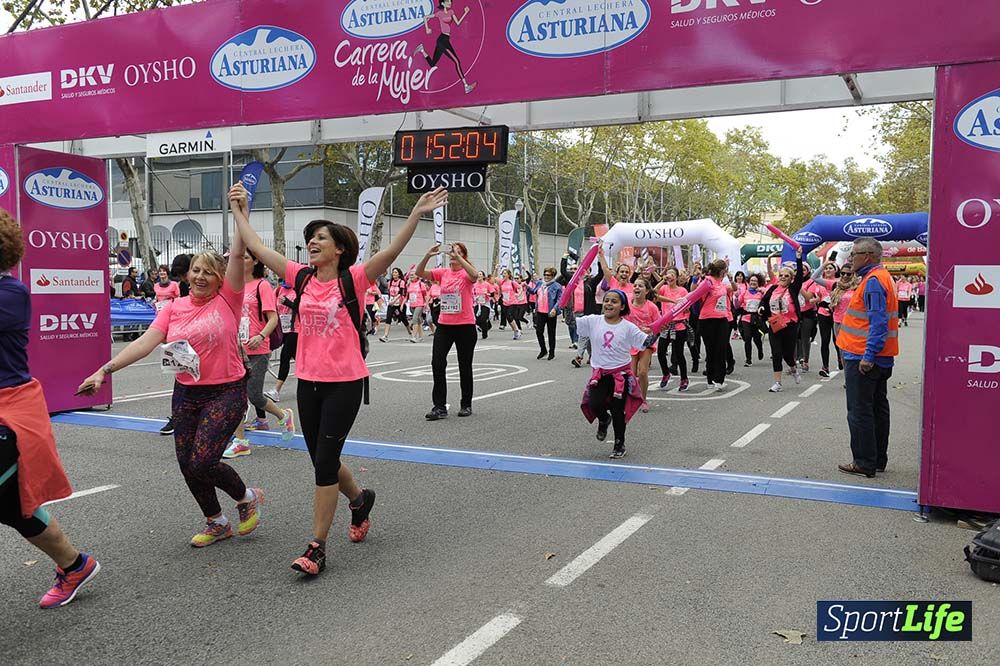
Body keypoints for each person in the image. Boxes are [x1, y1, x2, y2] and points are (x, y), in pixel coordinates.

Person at [232, 182, 448, 575]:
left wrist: (415, 215)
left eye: (320, 238)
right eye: (310, 238)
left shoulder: (355, 279)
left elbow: (392, 252)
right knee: (321, 457)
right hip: (309, 381)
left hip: (345, 383)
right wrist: (240, 212)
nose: (312, 243)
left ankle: (317, 547)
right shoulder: (299, 277)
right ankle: (360, 499)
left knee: (324, 460)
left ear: (340, 249)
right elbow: (260, 250)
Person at [79, 210, 264, 549]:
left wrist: (241, 211)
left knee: (203, 460)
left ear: (223, 279)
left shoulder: (229, 300)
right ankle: (216, 522)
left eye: (209, 271)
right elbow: (144, 343)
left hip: (225, 392)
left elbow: (237, 254)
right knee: (186, 464)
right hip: (186, 392)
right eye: (196, 270)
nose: (201, 276)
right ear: (187, 273)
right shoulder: (172, 308)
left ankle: (246, 497)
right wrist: (104, 370)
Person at [0, 210, 101, 609]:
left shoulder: (11, 293)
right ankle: (75, 564)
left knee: (15, 506)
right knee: (14, 507)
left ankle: (75, 565)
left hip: (9, 413)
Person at [836, 238, 899, 478]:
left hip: (864, 357)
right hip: (879, 357)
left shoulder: (873, 282)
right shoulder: (882, 278)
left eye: (854, 254)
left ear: (868, 255)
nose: (851, 258)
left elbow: (878, 322)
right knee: (877, 408)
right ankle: (877, 459)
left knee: (860, 411)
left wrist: (868, 355)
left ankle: (864, 461)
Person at [225, 250, 295, 458]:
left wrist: (261, 336)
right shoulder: (233, 285)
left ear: (255, 261)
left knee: (253, 395)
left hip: (257, 349)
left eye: (246, 257)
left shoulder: (262, 285)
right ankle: (240, 441)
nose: (240, 261)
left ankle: (283, 416)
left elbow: (272, 318)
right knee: (235, 396)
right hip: (235, 348)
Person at [576, 290, 653, 459]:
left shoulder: (628, 327)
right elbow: (573, 323)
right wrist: (562, 308)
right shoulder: (593, 321)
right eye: (606, 301)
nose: (609, 304)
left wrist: (654, 331)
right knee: (594, 404)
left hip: (621, 376)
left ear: (622, 306)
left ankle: (619, 444)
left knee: (619, 412)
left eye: (614, 302)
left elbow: (646, 342)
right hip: (600, 375)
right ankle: (604, 420)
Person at [416, 242, 479, 420]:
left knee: (464, 365)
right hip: (444, 325)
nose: (452, 255)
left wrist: (459, 257)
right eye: (451, 252)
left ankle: (466, 404)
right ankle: (439, 406)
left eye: (457, 253)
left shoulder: (466, 272)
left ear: (463, 256)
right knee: (437, 362)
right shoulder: (443, 273)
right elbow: (420, 273)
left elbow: (474, 275)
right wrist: (428, 255)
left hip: (465, 325)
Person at [759, 249, 805, 392]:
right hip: (775, 323)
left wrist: (798, 257)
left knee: (787, 354)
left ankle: (793, 369)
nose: (783, 277)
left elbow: (799, 277)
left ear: (791, 278)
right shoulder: (773, 288)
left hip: (790, 324)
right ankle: (778, 383)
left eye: (786, 276)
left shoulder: (793, 288)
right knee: (776, 353)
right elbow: (764, 302)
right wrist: (761, 309)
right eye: (781, 275)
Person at [414, 0, 477, 94]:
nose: (450, 3)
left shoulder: (451, 12)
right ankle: (466, 86)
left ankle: (422, 50)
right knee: (456, 61)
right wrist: (427, 28)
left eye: (450, 1)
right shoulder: (439, 13)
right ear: (442, 3)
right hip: (442, 40)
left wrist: (465, 13)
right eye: (447, 1)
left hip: (445, 39)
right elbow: (425, 17)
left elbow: (458, 23)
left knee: (432, 64)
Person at [694, 260, 734, 391]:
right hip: (707, 319)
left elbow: (733, 289)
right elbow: (695, 295)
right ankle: (710, 377)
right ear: (722, 270)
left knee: (721, 349)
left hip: (722, 319)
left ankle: (719, 379)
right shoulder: (708, 281)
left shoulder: (722, 283)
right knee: (710, 350)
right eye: (725, 270)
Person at [625, 277, 660, 410]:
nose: (637, 288)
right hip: (631, 342)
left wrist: (650, 328)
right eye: (635, 286)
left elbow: (659, 325)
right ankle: (632, 397)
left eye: (640, 286)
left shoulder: (651, 307)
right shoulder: (627, 305)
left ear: (646, 291)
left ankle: (643, 400)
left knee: (643, 372)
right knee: (632, 374)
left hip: (646, 342)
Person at [654, 267, 690, 391]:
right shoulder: (664, 288)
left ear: (677, 277)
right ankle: (665, 373)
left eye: (672, 274)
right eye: (668, 274)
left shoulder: (683, 290)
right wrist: (662, 280)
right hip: (666, 325)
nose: (669, 276)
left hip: (679, 325)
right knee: (660, 352)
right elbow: (653, 294)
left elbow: (687, 306)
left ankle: (684, 378)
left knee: (679, 353)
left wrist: (685, 309)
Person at [268, 277, 299, 403]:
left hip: (295, 329)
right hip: (282, 329)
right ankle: (314, 381)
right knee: (299, 358)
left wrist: (287, 302)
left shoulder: (298, 290)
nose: (284, 280)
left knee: (284, 357)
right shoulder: (279, 290)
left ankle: (276, 390)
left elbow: (300, 308)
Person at [530, 267, 563, 360]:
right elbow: (533, 292)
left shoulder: (557, 286)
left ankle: (551, 352)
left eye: (548, 275)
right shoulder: (540, 283)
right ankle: (543, 349)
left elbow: (559, 299)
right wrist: (526, 287)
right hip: (540, 312)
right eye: (545, 274)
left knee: (551, 333)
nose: (546, 276)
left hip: (551, 312)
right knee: (539, 331)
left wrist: (555, 309)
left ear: (553, 276)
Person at [736, 274, 765, 367]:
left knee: (757, 339)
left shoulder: (761, 293)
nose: (753, 282)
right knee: (747, 338)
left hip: (757, 319)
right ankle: (748, 360)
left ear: (758, 283)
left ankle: (760, 349)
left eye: (755, 281)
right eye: (751, 281)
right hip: (746, 317)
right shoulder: (744, 292)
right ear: (749, 282)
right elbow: (737, 304)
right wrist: (736, 297)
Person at [379, 268, 409, 342]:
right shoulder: (390, 282)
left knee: (403, 318)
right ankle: (385, 336)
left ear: (399, 274)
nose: (394, 274)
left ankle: (409, 331)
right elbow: (389, 291)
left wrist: (395, 300)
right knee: (388, 317)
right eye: (393, 272)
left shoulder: (401, 282)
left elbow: (401, 293)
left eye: (396, 272)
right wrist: (390, 300)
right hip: (391, 302)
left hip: (399, 302)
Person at [407, 272, 429, 342]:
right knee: (418, 320)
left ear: (417, 276)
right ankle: (421, 336)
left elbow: (425, 294)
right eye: (410, 275)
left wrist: (426, 303)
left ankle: (414, 336)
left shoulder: (421, 284)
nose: (411, 276)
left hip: (419, 304)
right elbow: (407, 295)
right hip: (412, 304)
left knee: (415, 318)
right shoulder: (409, 284)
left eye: (413, 275)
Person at [472, 271, 493, 340]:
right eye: (478, 274)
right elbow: (472, 293)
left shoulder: (487, 284)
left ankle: (484, 334)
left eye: (480, 274)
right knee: (476, 319)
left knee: (483, 319)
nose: (479, 276)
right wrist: (475, 297)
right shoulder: (474, 285)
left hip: (485, 304)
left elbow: (492, 293)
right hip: (477, 304)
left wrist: (487, 294)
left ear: (483, 276)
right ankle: (487, 326)